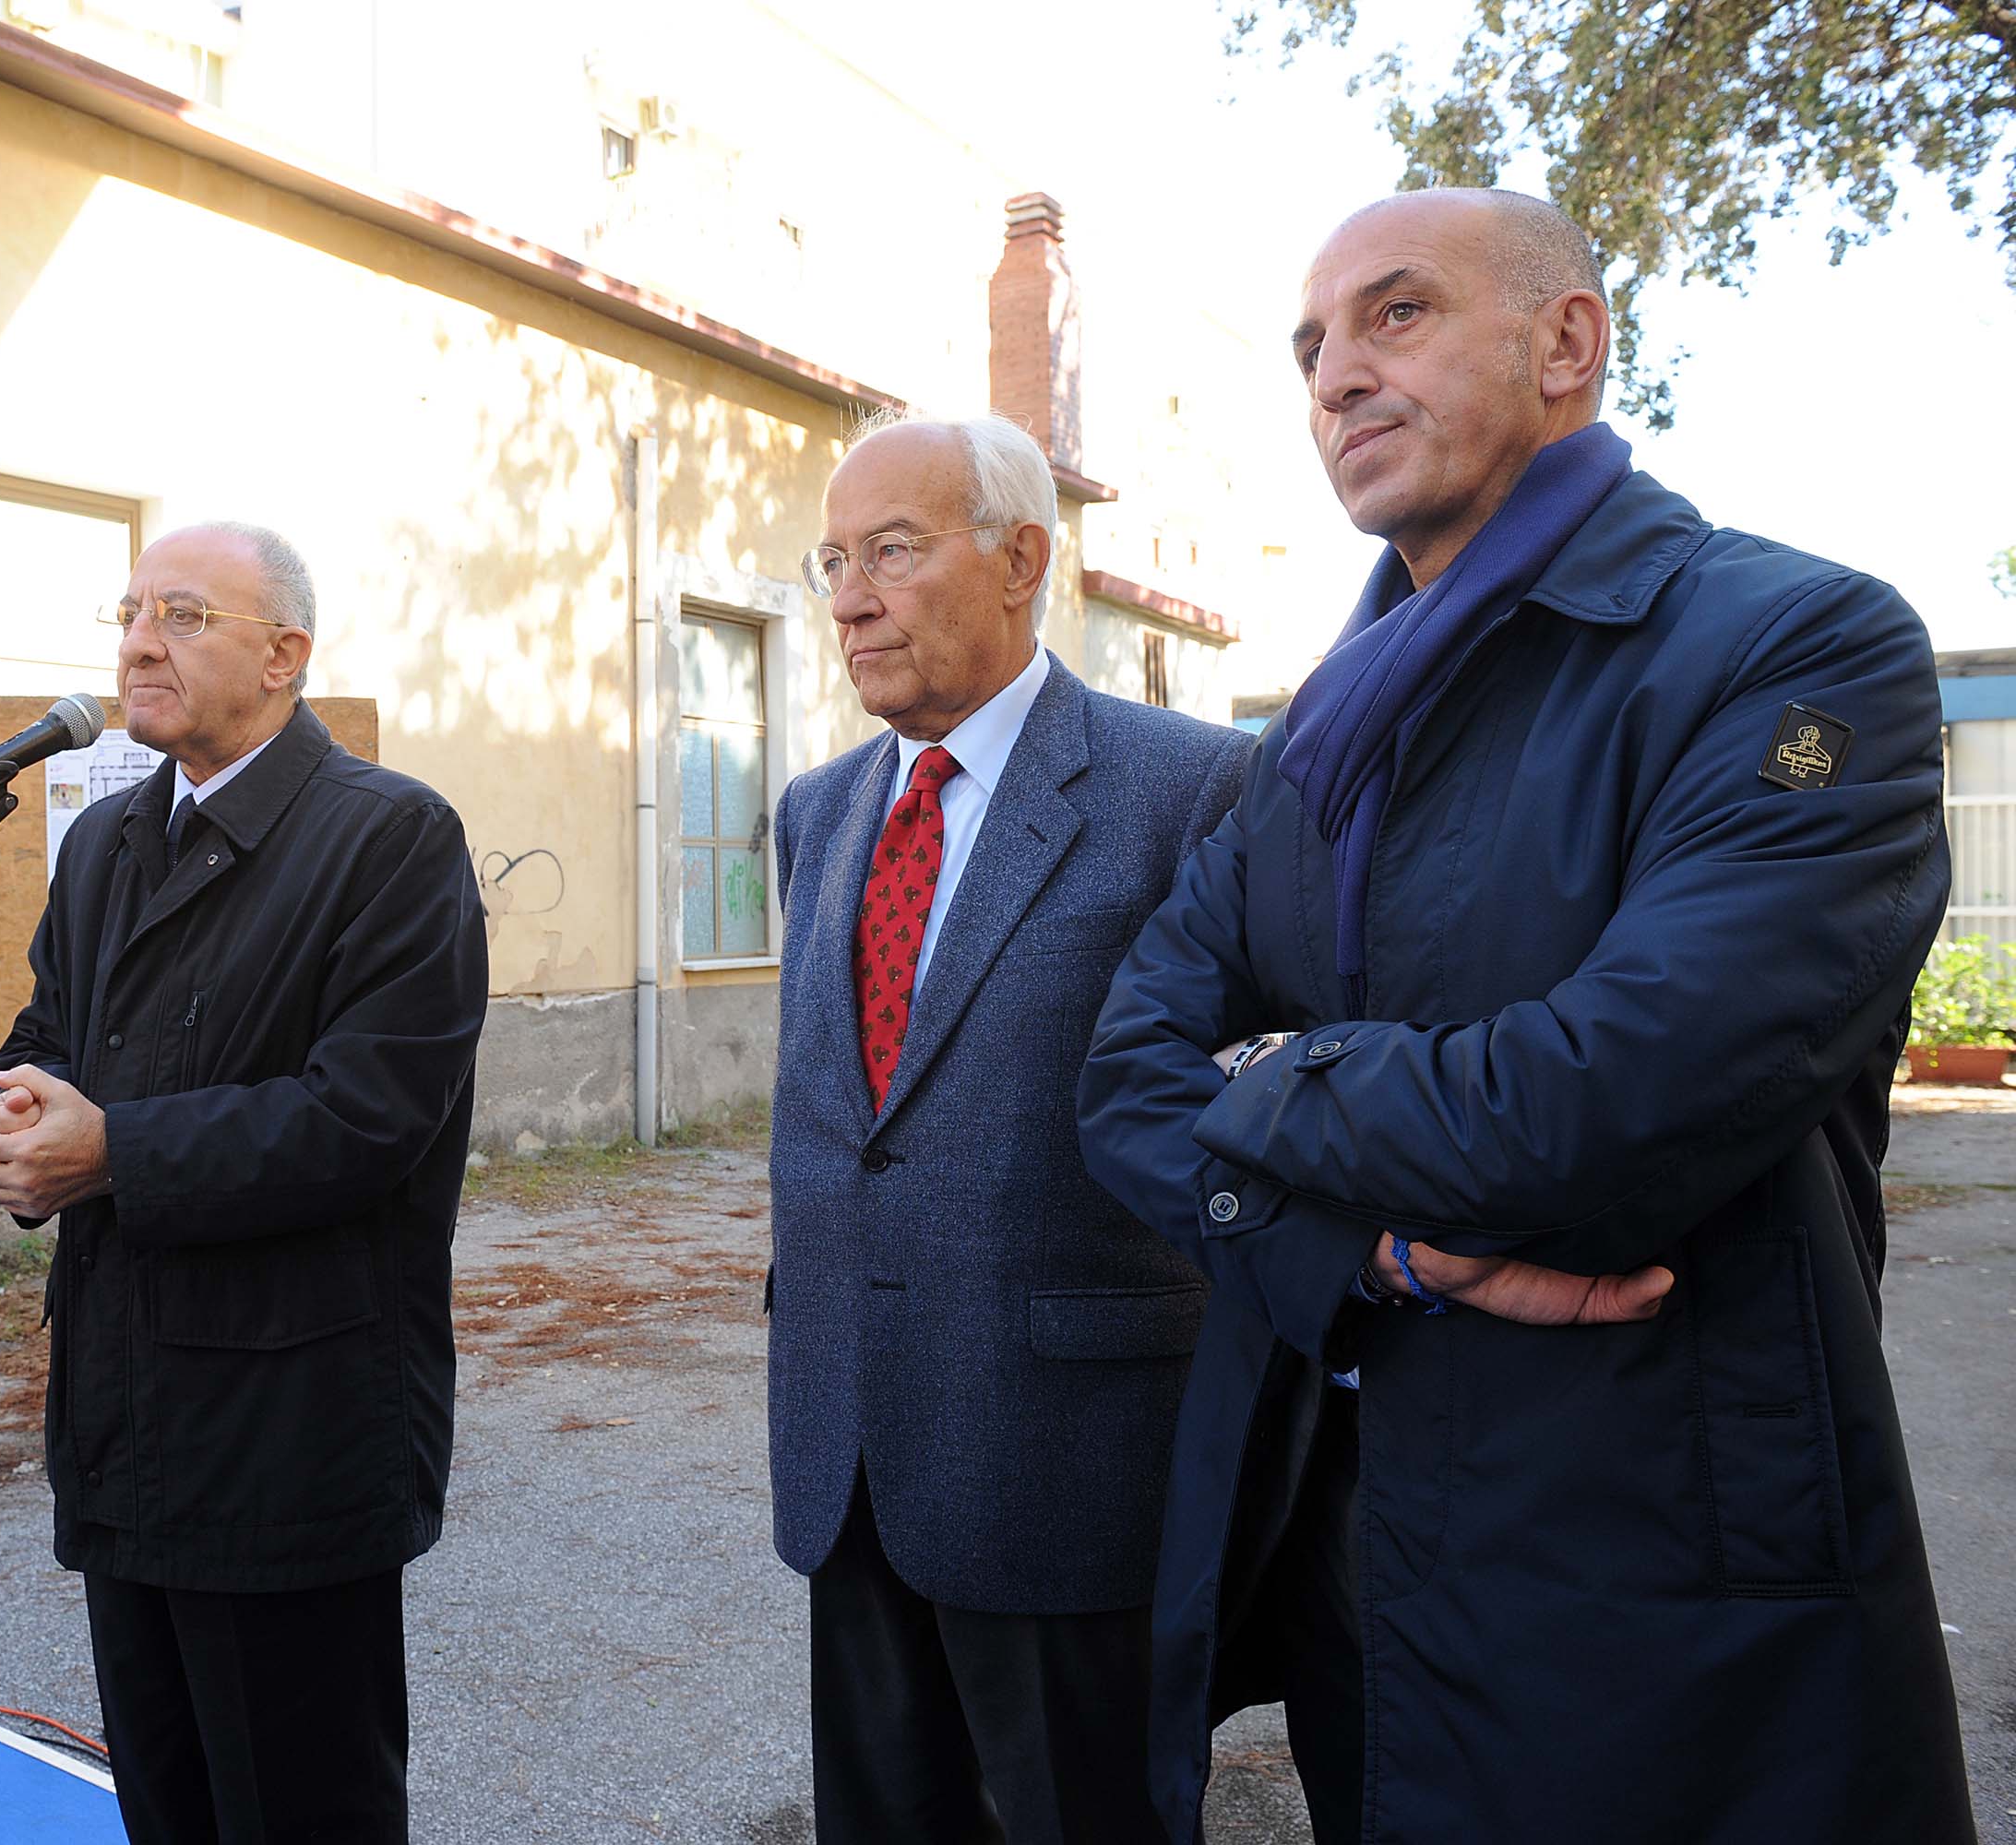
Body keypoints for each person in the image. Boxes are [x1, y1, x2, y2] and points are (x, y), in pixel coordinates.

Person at [1076, 188, 1978, 1844]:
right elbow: (1123, 1079)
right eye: (1312, 346)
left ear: (1567, 342)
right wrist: (1380, 1256)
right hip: (1362, 1583)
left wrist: (1273, 1068)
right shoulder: (1307, 747)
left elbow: (1602, 1112)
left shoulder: (1793, 650)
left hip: (1667, 1603)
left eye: (1395, 313)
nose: (1334, 374)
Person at [766, 410, 1253, 1842]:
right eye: (834, 559)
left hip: (1067, 1469)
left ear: (1023, 558)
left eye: (894, 552)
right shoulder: (815, 811)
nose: (850, 595)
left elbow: (1255, 1097)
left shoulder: (1187, 789)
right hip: (847, 1447)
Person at [0, 521, 487, 1844]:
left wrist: (112, 1151)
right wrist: (21, 1116)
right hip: (124, 1414)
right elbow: (48, 1034)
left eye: (185, 615)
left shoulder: (390, 839)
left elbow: (366, 1121)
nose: (141, 641)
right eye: (133, 612)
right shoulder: (105, 843)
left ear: (285, 656)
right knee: (168, 1801)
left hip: (290, 1428)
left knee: (303, 1809)